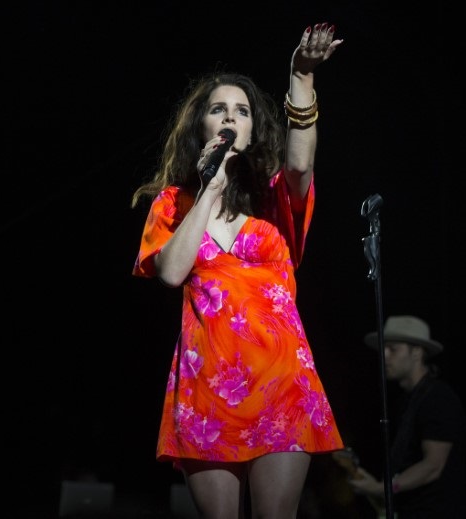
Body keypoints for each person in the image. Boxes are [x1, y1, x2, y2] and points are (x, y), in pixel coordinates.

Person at [130, 23, 345, 518]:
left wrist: (301, 76)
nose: (231, 117)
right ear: (200, 126)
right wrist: (207, 188)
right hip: (209, 390)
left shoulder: (274, 199)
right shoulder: (173, 204)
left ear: (253, 130)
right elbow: (170, 272)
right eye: (219, 109)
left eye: (242, 111)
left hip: (282, 384)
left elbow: (301, 162)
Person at [348, 315, 466, 518]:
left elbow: (433, 466)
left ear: (417, 352)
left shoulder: (438, 397)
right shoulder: (406, 400)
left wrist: (383, 488)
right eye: (383, 349)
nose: (384, 355)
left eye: (393, 349)